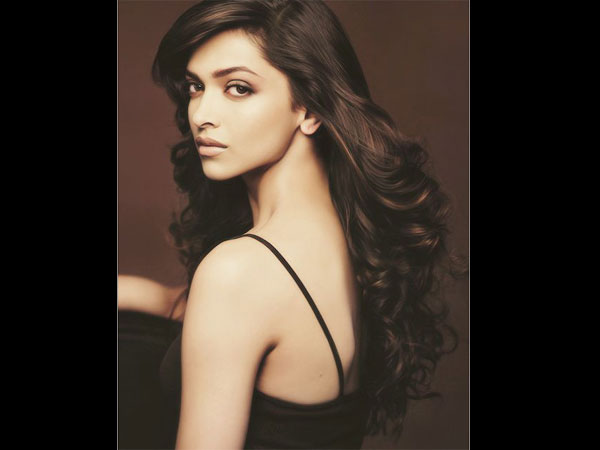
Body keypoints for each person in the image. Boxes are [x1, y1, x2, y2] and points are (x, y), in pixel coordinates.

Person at [120, 0, 464, 448]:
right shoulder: (347, 244)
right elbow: (184, 308)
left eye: (238, 88)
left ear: (309, 108)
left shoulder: (240, 272)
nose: (201, 114)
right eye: (195, 87)